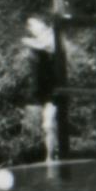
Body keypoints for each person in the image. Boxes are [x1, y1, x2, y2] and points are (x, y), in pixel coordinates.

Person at [22, 15, 60, 164]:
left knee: (48, 123)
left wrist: (31, 42)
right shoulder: (34, 41)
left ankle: (51, 157)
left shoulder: (52, 37)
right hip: (43, 88)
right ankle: (51, 155)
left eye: (33, 25)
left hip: (55, 87)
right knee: (48, 124)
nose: (30, 28)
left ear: (42, 23)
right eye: (29, 26)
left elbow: (47, 46)